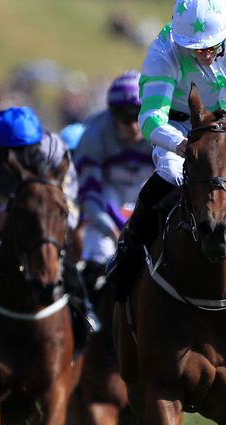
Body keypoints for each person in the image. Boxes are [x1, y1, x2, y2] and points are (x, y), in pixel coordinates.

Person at [107, 0, 226, 297]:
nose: (201, 53)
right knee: (171, 174)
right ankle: (128, 254)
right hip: (181, 129)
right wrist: (180, 145)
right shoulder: (164, 51)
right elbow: (150, 120)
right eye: (194, 47)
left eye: (210, 46)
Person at [0, 106, 101, 352]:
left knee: (60, 253)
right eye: (9, 152)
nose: (15, 157)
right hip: (1, 207)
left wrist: (59, 224)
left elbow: (69, 199)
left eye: (23, 150)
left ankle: (84, 311)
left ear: (36, 143)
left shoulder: (54, 150)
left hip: (44, 209)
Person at [74, 71, 154, 293]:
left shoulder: (163, 130)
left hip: (149, 209)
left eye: (139, 115)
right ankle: (88, 316)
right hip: (106, 213)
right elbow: (88, 194)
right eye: (125, 117)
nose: (133, 126)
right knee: (96, 260)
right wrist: (111, 229)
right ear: (112, 114)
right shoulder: (94, 134)